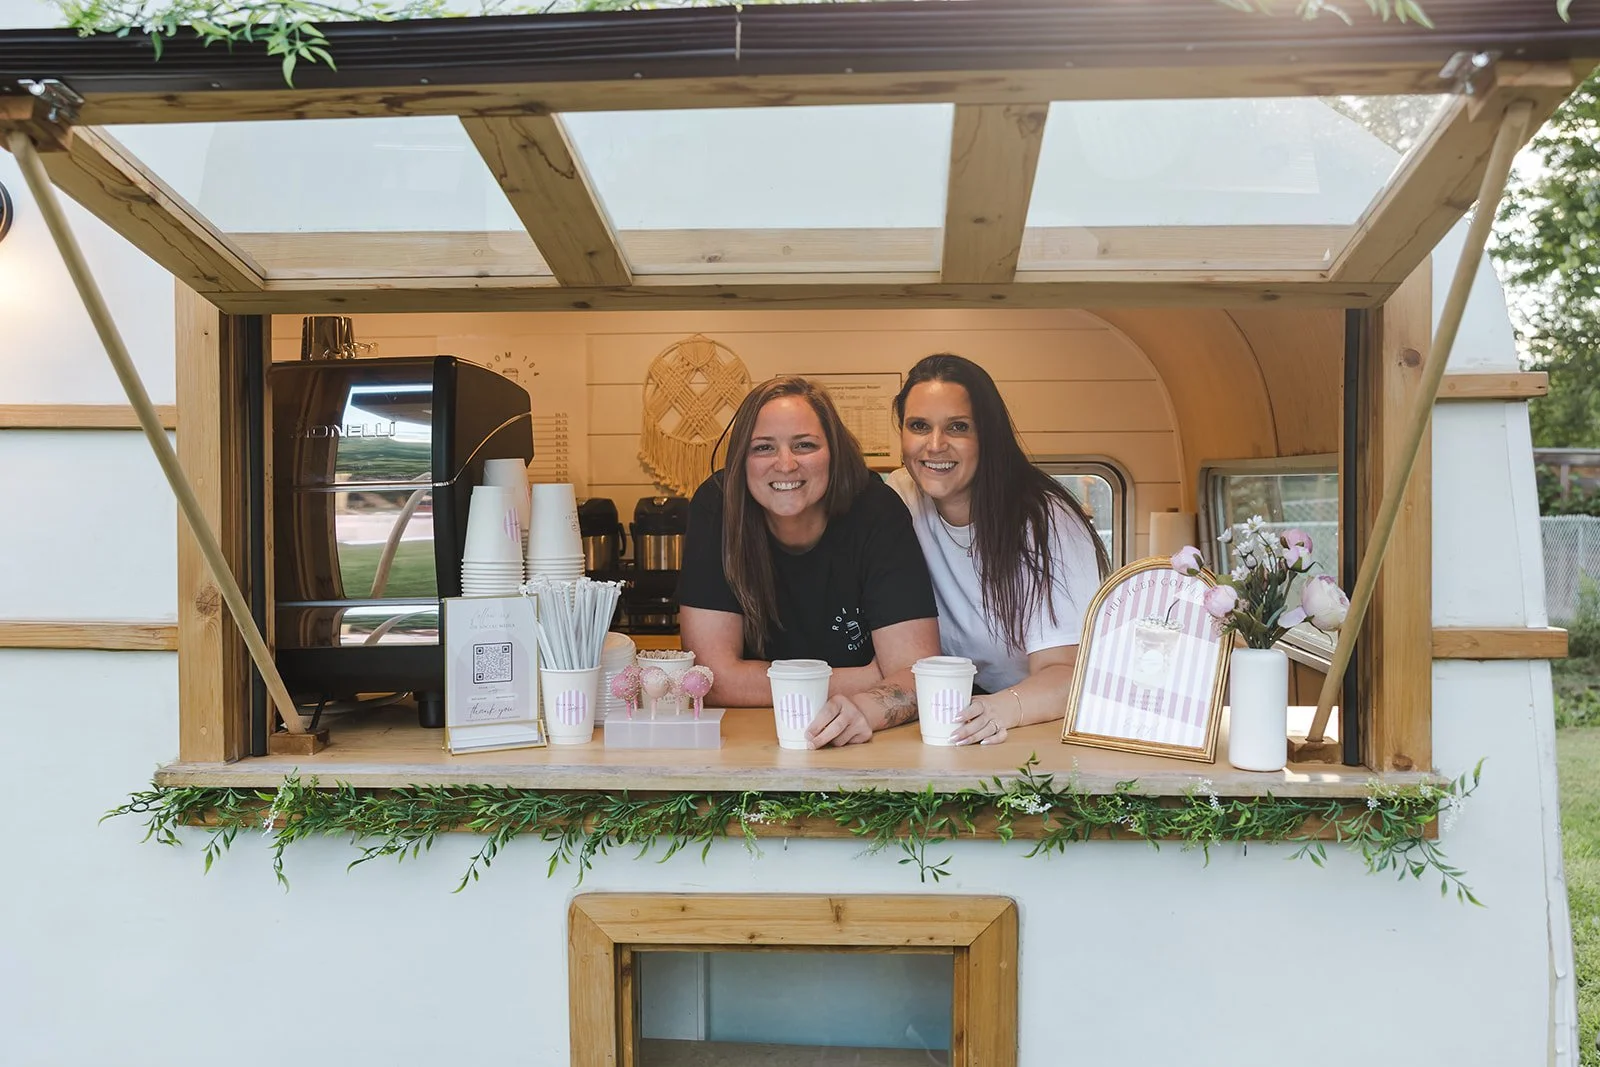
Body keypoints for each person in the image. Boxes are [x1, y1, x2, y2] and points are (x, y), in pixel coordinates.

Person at [678, 376, 941, 746]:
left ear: (834, 452)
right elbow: (711, 680)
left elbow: (917, 676)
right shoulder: (718, 505)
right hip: (748, 742)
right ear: (741, 460)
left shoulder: (875, 510)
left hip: (862, 737)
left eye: (804, 445)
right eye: (763, 448)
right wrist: (869, 676)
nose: (785, 465)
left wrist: (750, 679)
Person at [887, 354, 1109, 746]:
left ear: (988, 436)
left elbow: (1068, 671)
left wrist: (996, 711)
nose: (935, 445)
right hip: (958, 715)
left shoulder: (1046, 521)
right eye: (919, 426)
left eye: (958, 427)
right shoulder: (898, 498)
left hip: (1037, 722)